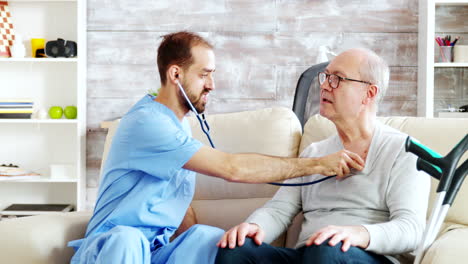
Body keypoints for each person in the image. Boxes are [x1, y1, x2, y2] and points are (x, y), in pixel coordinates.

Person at [68, 31, 365, 264]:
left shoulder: (180, 125)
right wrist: (318, 164)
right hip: (112, 249)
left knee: (206, 237)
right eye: (204, 74)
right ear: (175, 75)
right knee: (128, 239)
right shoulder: (147, 123)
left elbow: (174, 208)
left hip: (153, 251)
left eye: (213, 73)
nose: (212, 84)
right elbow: (231, 169)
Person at [215, 48, 431, 264]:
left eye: (337, 78)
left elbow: (411, 229)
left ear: (370, 93)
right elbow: (279, 209)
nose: (325, 85)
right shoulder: (315, 154)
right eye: (326, 77)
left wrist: (358, 234)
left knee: (326, 251)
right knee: (236, 249)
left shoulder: (404, 151)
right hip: (310, 255)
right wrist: (254, 227)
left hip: (363, 256)